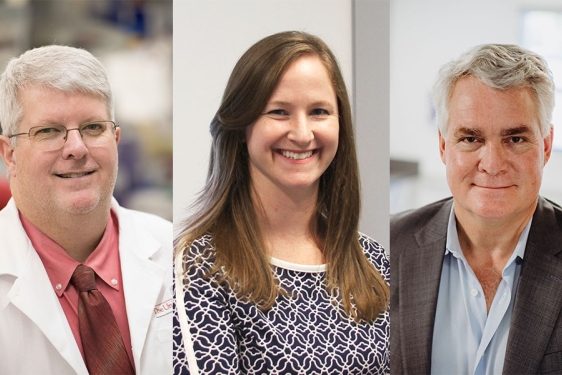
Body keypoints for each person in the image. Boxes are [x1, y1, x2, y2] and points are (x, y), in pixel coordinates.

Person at [173, 31, 390, 374]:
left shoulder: (375, 262)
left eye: (319, 111)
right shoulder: (202, 268)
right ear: (241, 126)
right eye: (278, 112)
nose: (302, 134)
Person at [0, 45, 172, 374]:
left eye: (94, 128)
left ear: (116, 139)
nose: (77, 149)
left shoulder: (177, 251)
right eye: (49, 131)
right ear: (10, 154)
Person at [391, 44, 561, 374]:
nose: (493, 164)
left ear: (545, 146)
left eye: (515, 139)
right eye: (471, 139)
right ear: (443, 145)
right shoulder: (385, 247)